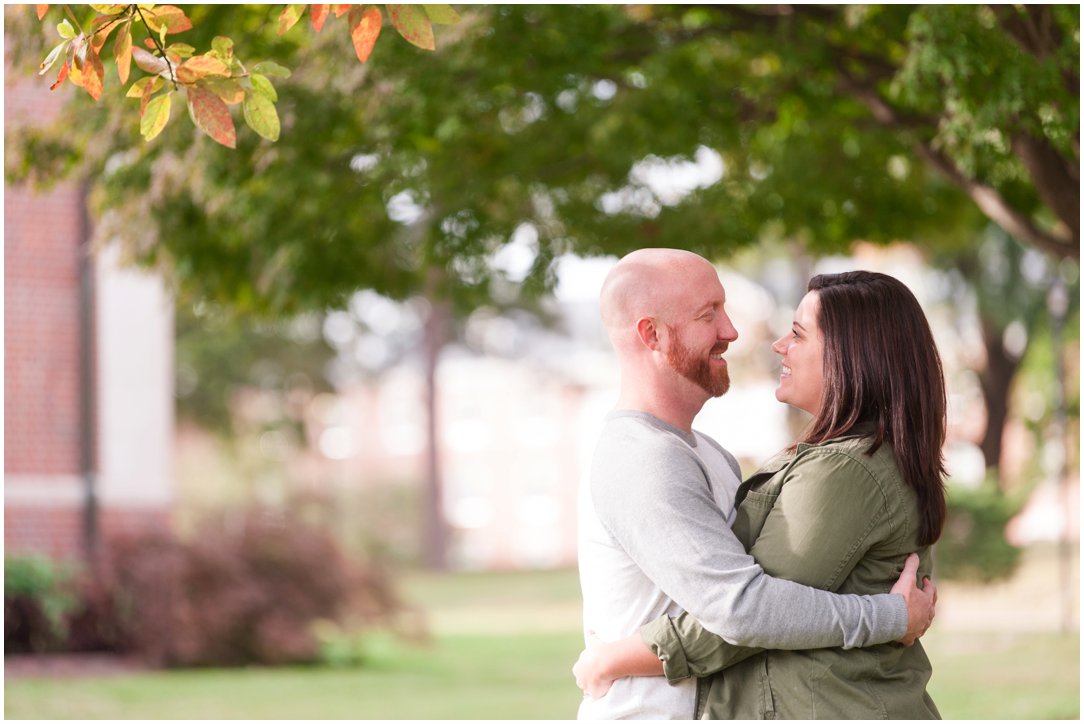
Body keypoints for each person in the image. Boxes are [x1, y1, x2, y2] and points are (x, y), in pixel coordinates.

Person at [575, 268, 946, 719]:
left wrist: (613, 657)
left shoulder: (842, 469)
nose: (735, 332)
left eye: (797, 334)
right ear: (651, 334)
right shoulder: (642, 458)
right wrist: (890, 617)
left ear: (852, 356)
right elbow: (746, 607)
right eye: (708, 314)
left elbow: (746, 609)